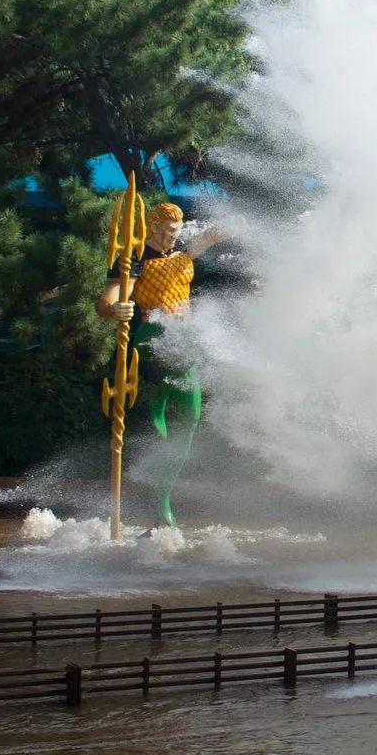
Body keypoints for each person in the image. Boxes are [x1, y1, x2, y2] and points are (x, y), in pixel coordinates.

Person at [94, 199, 222, 527]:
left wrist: (220, 232)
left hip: (183, 344)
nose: (171, 237)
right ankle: (157, 492)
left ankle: (161, 492)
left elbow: (199, 244)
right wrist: (115, 309)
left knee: (190, 415)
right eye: (167, 231)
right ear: (152, 228)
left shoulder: (179, 253)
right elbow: (106, 300)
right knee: (158, 411)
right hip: (152, 341)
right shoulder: (135, 260)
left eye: (176, 232)